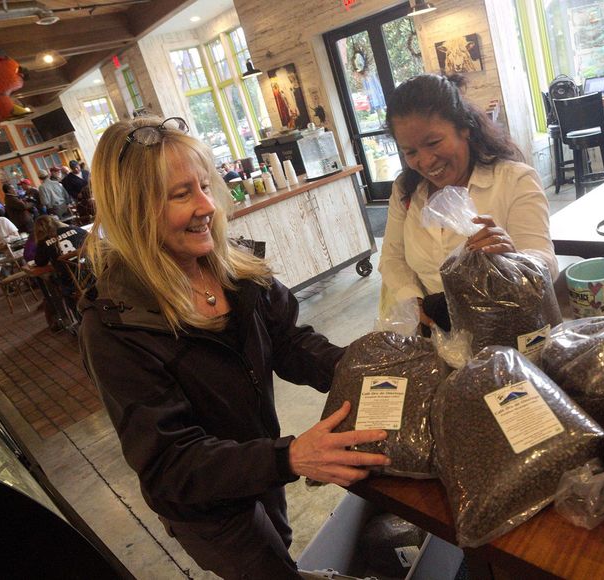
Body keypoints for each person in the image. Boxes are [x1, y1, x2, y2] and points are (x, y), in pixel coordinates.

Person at [78, 116, 389, 579]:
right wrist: (288, 457)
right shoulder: (117, 324)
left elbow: (287, 342)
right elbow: (169, 462)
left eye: (205, 186)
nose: (207, 206)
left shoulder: (233, 270)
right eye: (182, 194)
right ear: (133, 209)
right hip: (207, 508)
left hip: (260, 467)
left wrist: (365, 369)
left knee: (280, 544)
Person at [378, 73, 558, 326]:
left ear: (465, 129)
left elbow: (546, 263)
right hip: (435, 329)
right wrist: (413, 302)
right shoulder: (405, 191)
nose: (426, 161)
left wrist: (515, 257)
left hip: (506, 329)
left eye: (434, 142)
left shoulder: (514, 180)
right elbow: (392, 258)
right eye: (411, 152)